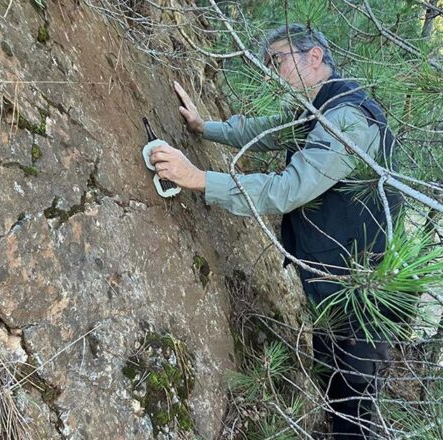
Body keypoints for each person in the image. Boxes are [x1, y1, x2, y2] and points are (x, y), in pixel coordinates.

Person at [149, 24, 401, 439]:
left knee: (353, 404)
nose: (272, 71)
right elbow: (262, 131)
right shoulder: (318, 109)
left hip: (361, 291)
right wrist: (203, 127)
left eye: (278, 60)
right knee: (335, 382)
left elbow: (287, 189)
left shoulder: (349, 119)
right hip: (336, 283)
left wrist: (197, 177)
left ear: (315, 57)